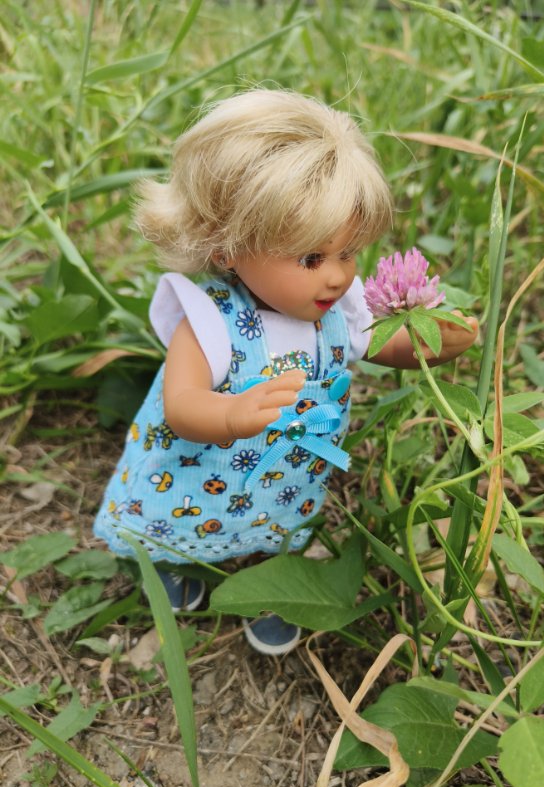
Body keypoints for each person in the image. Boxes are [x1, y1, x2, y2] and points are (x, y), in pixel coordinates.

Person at [93, 89, 478, 654]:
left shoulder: (339, 313)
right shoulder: (209, 322)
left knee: (280, 528)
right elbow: (182, 405)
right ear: (227, 249)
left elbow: (385, 344)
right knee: (178, 522)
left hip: (286, 475)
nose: (337, 278)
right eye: (310, 259)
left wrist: (435, 339)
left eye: (348, 253)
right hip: (199, 471)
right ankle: (175, 565)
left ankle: (278, 589)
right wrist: (229, 413)